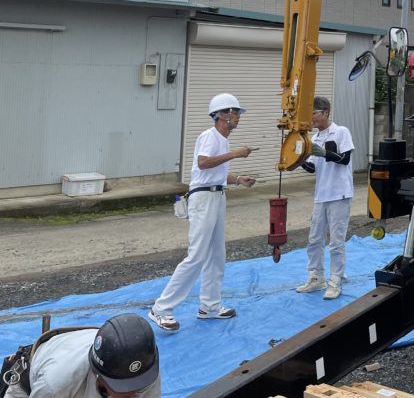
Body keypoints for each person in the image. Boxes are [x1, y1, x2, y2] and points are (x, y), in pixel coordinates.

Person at [148, 93, 256, 333]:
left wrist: (237, 179)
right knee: (197, 255)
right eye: (235, 112)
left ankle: (209, 306)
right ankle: (161, 308)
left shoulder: (223, 141)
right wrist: (237, 154)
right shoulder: (210, 136)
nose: (238, 117)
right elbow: (203, 163)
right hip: (204, 198)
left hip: (216, 195)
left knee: (217, 254)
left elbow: (214, 173)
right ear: (223, 114)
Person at [2, 313, 160, 398]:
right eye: (121, 389)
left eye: (135, 387)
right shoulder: (56, 384)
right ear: (97, 374)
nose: (131, 394)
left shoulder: (145, 370)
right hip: (29, 385)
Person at [295, 96, 354, 301]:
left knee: (336, 241)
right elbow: (312, 168)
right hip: (321, 195)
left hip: (339, 193)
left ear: (326, 112)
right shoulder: (314, 139)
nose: (311, 119)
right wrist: (299, 158)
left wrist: (323, 153)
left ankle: (336, 279)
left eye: (314, 114)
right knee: (314, 238)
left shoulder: (341, 132)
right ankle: (316, 276)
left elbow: (345, 159)